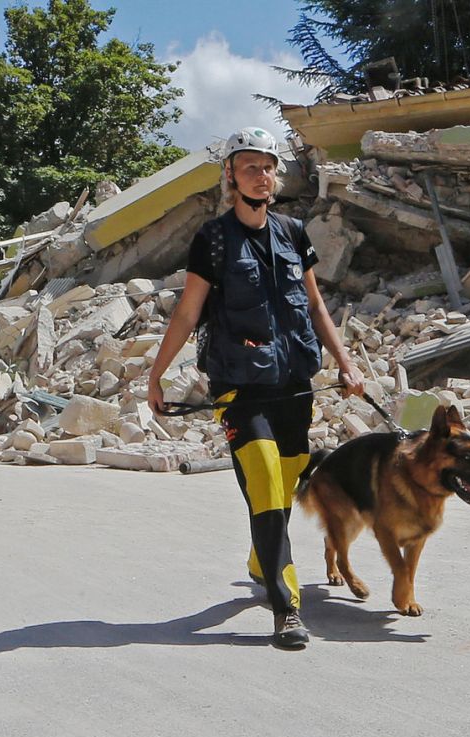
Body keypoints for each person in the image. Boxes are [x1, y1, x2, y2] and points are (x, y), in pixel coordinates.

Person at [147, 126, 365, 650]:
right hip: (238, 384)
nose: (262, 176)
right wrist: (156, 373)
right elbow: (188, 310)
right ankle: (286, 607)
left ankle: (259, 554)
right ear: (230, 175)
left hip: (292, 382)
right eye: (250, 167)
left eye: (268, 167)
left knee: (288, 475)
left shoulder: (292, 233)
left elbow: (315, 306)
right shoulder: (214, 239)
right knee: (267, 480)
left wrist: (346, 363)